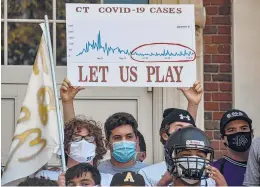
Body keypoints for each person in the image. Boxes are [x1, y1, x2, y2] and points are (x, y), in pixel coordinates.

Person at [138, 81, 203, 186]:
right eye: (178, 128)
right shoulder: (147, 173)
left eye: (189, 129)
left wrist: (193, 104)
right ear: (165, 134)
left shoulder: (204, 171)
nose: (185, 133)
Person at [35, 116, 112, 186]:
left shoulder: (109, 180)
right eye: (76, 138)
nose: (83, 142)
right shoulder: (46, 176)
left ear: (97, 146)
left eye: (89, 138)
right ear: (65, 146)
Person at [212, 109, 254, 186]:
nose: (238, 132)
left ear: (251, 133)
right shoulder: (214, 171)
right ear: (223, 138)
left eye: (244, 128)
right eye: (231, 130)